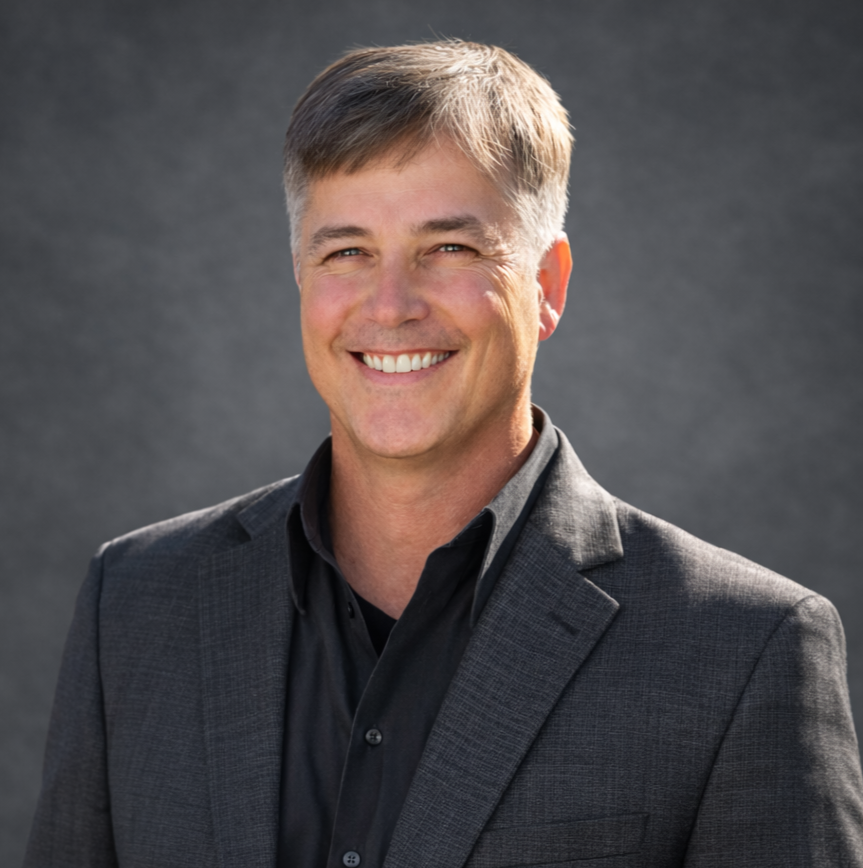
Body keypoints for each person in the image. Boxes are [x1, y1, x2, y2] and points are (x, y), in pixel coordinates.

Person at [25, 40, 863, 868]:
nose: (389, 307)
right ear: (299, 276)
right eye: (346, 251)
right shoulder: (134, 605)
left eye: (450, 249)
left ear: (548, 286)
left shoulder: (742, 649)